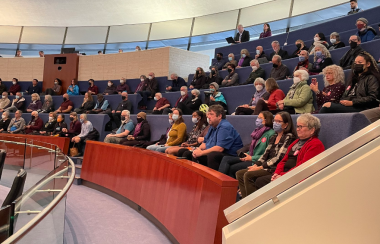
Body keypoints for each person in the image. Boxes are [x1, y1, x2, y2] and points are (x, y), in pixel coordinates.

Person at [239, 114, 323, 196]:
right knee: (247, 175)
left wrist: (282, 176)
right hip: (283, 173)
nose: (297, 129)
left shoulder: (315, 144)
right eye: (297, 126)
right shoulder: (296, 142)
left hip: (295, 177)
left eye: (301, 127)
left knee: (259, 180)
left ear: (312, 130)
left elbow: (303, 167)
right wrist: (277, 174)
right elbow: (283, 160)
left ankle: (256, 207)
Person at [219, 112, 276, 177]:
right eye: (258, 117)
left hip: (256, 161)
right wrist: (247, 155)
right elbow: (253, 148)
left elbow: (266, 155)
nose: (257, 119)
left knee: (232, 168)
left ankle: (226, 185)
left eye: (260, 118)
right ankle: (219, 182)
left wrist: (251, 158)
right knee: (226, 158)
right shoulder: (257, 132)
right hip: (250, 157)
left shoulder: (271, 134)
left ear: (266, 120)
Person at [191, 105, 243, 170]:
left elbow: (219, 148)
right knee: (192, 154)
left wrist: (201, 153)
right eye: (208, 114)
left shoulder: (225, 127)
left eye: (211, 114)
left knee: (212, 155)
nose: (208, 116)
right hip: (218, 151)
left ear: (219, 116)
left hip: (230, 154)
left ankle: (213, 179)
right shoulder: (212, 126)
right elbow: (205, 143)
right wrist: (198, 150)